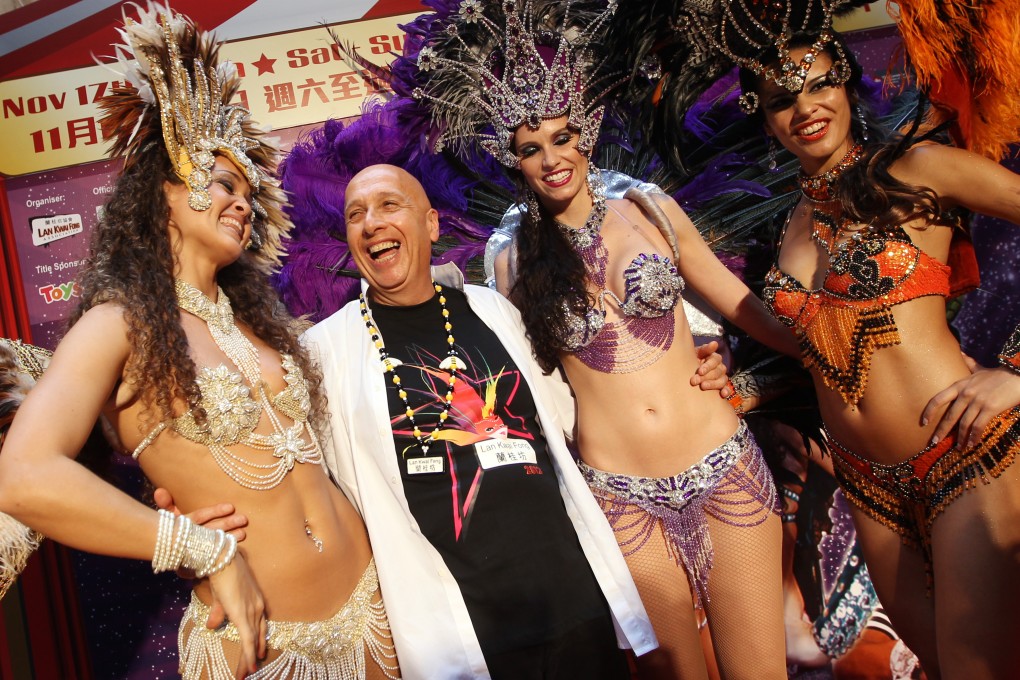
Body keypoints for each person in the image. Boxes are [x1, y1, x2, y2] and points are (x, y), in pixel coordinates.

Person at [0, 7, 399, 680]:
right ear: (164, 195)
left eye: (248, 193)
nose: (242, 203)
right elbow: (25, 477)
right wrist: (194, 546)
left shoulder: (261, 325)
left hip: (378, 615)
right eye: (221, 184)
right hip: (264, 646)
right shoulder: (120, 325)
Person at [411, 2, 801, 677]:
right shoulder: (508, 257)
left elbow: (738, 303)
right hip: (619, 500)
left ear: (586, 133)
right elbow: (519, 391)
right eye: (531, 148)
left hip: (723, 469)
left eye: (563, 138)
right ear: (515, 159)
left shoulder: (648, 206)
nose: (551, 158)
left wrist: (815, 352)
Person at [302, 163, 731, 679]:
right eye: (356, 214)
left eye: (389, 205)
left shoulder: (494, 310)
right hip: (463, 635)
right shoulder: (326, 351)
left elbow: (579, 402)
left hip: (573, 602)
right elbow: (299, 472)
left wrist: (692, 365)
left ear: (432, 224)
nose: (371, 223)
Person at [719, 9, 1020, 677]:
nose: (805, 108)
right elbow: (825, 343)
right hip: (868, 487)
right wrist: (742, 383)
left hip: (963, 459)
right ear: (764, 117)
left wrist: (1016, 371)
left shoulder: (921, 168)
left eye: (819, 85)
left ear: (848, 85)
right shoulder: (791, 222)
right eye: (781, 99)